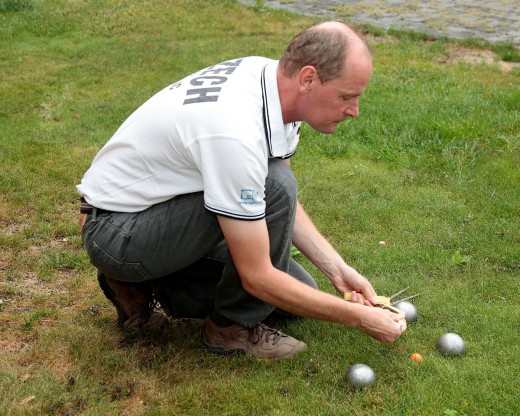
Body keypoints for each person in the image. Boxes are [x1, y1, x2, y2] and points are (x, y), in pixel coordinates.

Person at [77, 20, 406, 360]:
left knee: (297, 296)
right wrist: (358, 317)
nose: (354, 111)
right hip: (117, 232)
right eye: (346, 96)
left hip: (158, 210)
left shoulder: (270, 83)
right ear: (308, 78)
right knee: (272, 213)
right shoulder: (234, 131)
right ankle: (227, 328)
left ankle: (150, 282)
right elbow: (257, 274)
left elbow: (283, 204)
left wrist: (339, 270)